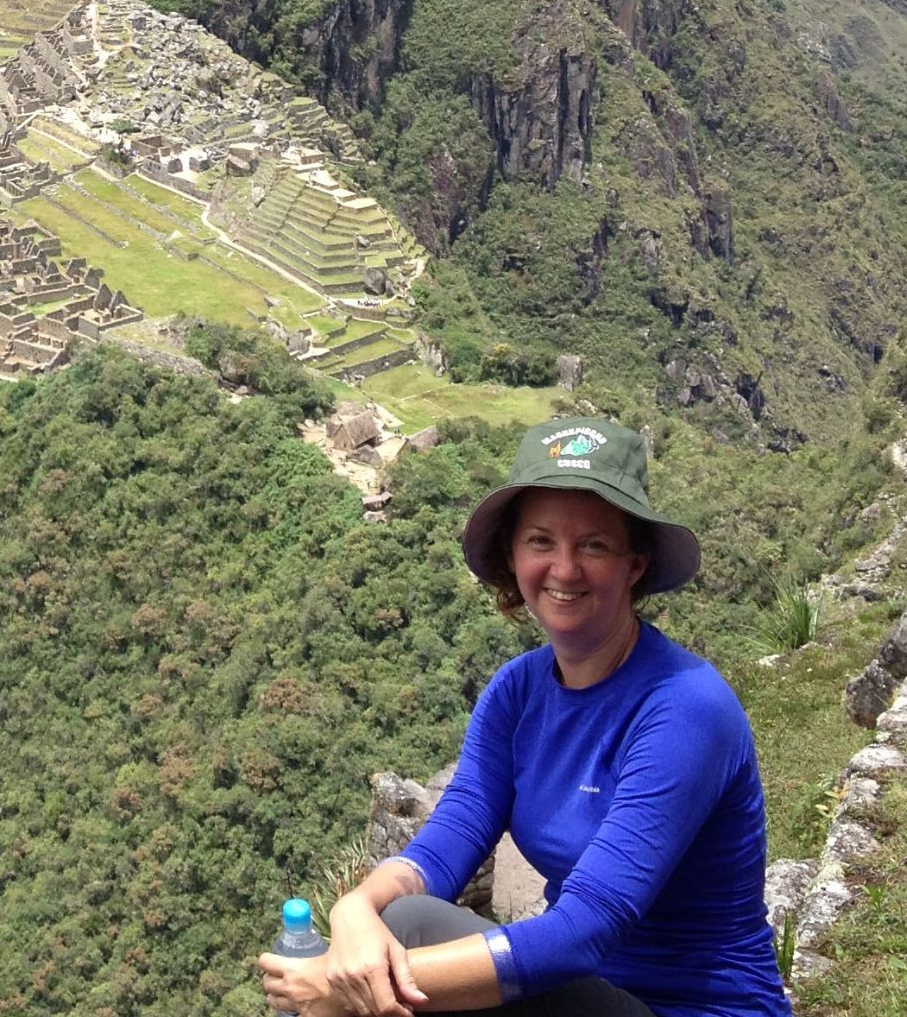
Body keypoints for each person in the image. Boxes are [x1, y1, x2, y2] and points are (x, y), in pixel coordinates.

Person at [260, 418, 792, 1017]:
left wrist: (339, 987)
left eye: (593, 544)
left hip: (688, 1008)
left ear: (635, 563)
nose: (564, 569)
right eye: (541, 541)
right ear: (513, 556)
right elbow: (446, 845)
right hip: (587, 998)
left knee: (394, 944)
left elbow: (583, 931)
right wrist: (352, 909)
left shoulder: (684, 709)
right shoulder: (516, 694)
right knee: (391, 917)